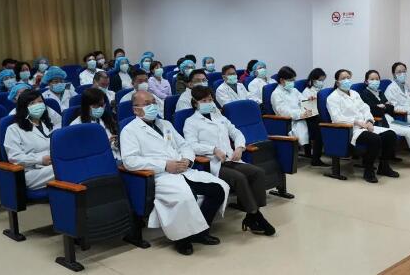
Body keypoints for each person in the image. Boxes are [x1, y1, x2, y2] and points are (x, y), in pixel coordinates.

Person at [120, 91, 230, 255]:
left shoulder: (165, 124)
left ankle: (200, 232)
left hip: (183, 169)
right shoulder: (129, 131)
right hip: (159, 176)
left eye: (154, 102)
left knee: (219, 188)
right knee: (185, 196)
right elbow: (130, 161)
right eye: (147, 104)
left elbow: (184, 145)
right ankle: (182, 239)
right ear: (135, 109)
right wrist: (165, 166)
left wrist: (187, 160)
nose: (153, 106)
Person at [183, 86, 275, 235]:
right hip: (212, 164)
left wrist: (239, 147)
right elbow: (191, 145)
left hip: (231, 159)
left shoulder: (218, 116)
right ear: (195, 103)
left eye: (210, 100)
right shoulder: (191, 122)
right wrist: (213, 149)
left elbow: (236, 132)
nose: (208, 103)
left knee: (258, 172)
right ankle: (256, 216)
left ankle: (252, 215)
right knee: (239, 178)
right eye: (204, 101)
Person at [359, 70, 410, 172]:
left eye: (377, 79)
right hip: (382, 123)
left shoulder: (380, 92)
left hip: (392, 120)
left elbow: (391, 108)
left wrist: (383, 107)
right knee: (409, 131)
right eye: (372, 79)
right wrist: (383, 107)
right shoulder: (364, 94)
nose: (375, 81)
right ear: (366, 81)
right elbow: (372, 110)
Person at [327, 69, 400, 183]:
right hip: (350, 129)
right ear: (337, 82)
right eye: (343, 78)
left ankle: (384, 166)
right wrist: (357, 122)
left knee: (390, 134)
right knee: (374, 139)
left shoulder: (354, 94)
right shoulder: (333, 97)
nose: (347, 80)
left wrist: (370, 121)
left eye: (348, 78)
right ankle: (368, 170)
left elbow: (365, 108)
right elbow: (336, 118)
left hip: (365, 125)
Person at [4, 89, 60, 190]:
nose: (37, 105)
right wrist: (40, 159)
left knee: (68, 166)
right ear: (24, 107)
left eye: (40, 102)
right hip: (32, 171)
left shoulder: (48, 124)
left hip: (52, 164)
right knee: (65, 168)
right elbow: (14, 157)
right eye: (32, 103)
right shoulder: (13, 129)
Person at [271, 66, 327, 166]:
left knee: (319, 121)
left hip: (301, 116)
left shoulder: (294, 90)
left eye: (293, 80)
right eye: (290, 80)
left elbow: (303, 101)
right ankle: (316, 159)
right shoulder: (276, 94)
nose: (293, 82)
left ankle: (316, 157)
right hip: (289, 121)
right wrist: (301, 114)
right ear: (282, 80)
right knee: (318, 125)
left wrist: (309, 101)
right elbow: (283, 112)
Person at [70, 88, 120, 162]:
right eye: (95, 106)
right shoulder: (76, 125)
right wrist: (104, 144)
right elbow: (78, 151)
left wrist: (115, 143)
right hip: (93, 161)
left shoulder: (105, 118)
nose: (100, 108)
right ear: (86, 106)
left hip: (113, 157)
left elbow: (111, 141)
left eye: (102, 105)